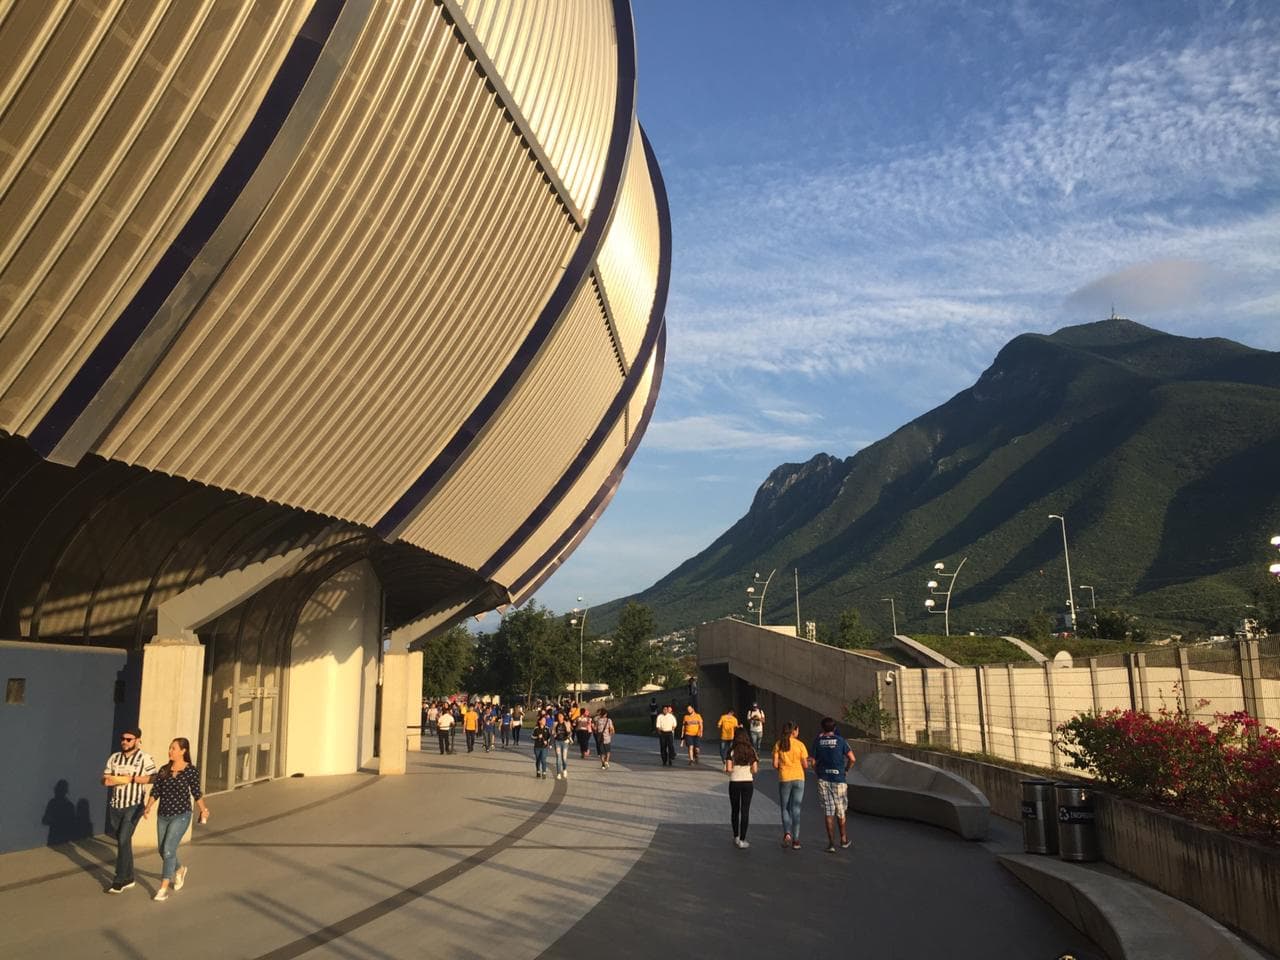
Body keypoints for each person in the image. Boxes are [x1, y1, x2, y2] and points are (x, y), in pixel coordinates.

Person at [142, 737, 210, 901]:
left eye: (173, 748)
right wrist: (148, 806)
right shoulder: (164, 770)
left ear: (183, 751)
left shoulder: (190, 770)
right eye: (170, 748)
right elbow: (156, 790)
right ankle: (179, 870)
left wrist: (203, 810)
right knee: (162, 850)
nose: (170, 751)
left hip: (181, 815)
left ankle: (163, 888)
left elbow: (196, 792)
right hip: (163, 815)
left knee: (168, 850)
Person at [102, 726, 157, 893]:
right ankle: (129, 877)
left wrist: (133, 778)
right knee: (124, 842)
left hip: (134, 805)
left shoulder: (144, 758)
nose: (124, 742)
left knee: (123, 839)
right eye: (123, 739)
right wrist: (108, 781)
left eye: (129, 739)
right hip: (116, 805)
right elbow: (104, 778)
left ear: (137, 740)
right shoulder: (114, 758)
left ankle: (118, 879)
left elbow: (155, 778)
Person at [812, 717, 856, 852]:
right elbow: (852, 758)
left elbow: (812, 761)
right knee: (841, 811)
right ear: (834, 728)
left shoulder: (818, 742)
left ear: (822, 728)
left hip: (823, 779)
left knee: (828, 812)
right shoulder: (841, 741)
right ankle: (843, 839)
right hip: (839, 778)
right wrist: (846, 770)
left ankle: (831, 844)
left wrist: (817, 772)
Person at [772, 722, 809, 849]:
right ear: (794, 731)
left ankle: (787, 833)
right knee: (796, 809)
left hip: (784, 778)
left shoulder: (779, 744)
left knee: (785, 808)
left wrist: (783, 768)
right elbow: (805, 765)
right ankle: (796, 840)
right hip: (799, 778)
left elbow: (775, 765)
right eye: (798, 730)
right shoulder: (800, 745)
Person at [725, 729, 759, 848]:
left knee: (735, 810)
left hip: (734, 782)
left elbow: (729, 769)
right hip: (747, 782)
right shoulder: (751, 750)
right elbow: (755, 769)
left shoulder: (731, 751)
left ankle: (736, 836)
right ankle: (743, 840)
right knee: (745, 810)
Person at [551, 711, 573, 780]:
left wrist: (569, 737)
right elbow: (553, 732)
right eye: (558, 716)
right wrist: (554, 735)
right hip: (557, 741)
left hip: (565, 742)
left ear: (563, 716)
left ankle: (564, 769)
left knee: (564, 758)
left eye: (561, 716)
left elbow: (570, 732)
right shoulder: (555, 723)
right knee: (558, 757)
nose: (559, 717)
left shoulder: (567, 723)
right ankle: (558, 773)